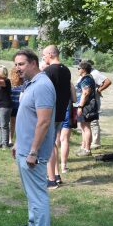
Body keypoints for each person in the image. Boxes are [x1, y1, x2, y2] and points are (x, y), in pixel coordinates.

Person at [10, 49, 56, 226]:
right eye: (16, 64)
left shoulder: (43, 85)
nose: (17, 68)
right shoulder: (31, 85)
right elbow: (27, 119)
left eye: (21, 64)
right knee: (31, 194)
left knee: (38, 196)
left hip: (33, 154)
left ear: (34, 63)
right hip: (24, 149)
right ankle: (32, 225)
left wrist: (33, 151)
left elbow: (44, 121)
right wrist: (18, 143)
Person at [41, 45, 73, 189]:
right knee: (53, 143)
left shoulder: (48, 71)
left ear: (50, 54)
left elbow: (44, 91)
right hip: (61, 112)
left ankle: (52, 180)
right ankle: (57, 175)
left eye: (44, 55)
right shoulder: (66, 70)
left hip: (51, 113)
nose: (43, 58)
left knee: (48, 145)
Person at [86, 60, 112, 149]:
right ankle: (89, 141)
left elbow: (108, 81)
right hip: (88, 101)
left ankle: (96, 143)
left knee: (93, 120)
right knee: (88, 120)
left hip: (94, 101)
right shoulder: (89, 73)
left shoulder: (95, 73)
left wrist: (98, 90)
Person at [75, 61, 99, 156]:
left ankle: (87, 150)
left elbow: (85, 93)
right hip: (85, 106)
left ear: (83, 69)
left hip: (86, 106)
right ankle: (83, 147)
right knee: (83, 127)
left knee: (86, 127)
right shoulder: (87, 78)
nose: (78, 70)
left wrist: (80, 106)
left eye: (79, 68)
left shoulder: (86, 79)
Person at [9, 66, 24, 145]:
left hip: (21, 106)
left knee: (20, 124)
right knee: (12, 123)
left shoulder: (24, 82)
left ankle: (19, 140)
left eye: (20, 72)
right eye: (17, 72)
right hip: (12, 106)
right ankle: (10, 139)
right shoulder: (11, 83)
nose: (19, 73)